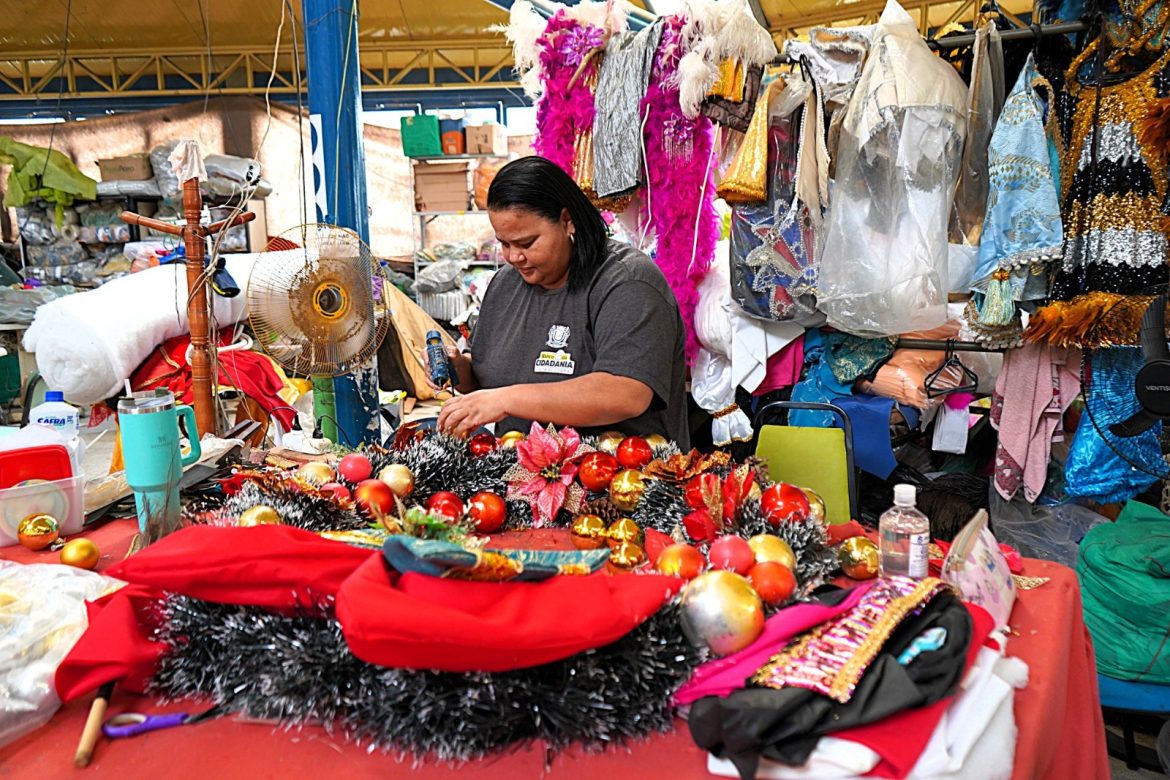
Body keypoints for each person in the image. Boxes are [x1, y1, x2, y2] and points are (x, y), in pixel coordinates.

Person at [436, 156, 689, 448]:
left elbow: (626, 393)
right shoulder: (505, 284)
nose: (514, 257)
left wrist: (505, 400)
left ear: (567, 221)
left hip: (619, 483)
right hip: (520, 478)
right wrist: (460, 370)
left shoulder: (628, 282)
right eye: (504, 243)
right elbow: (490, 378)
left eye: (527, 243)